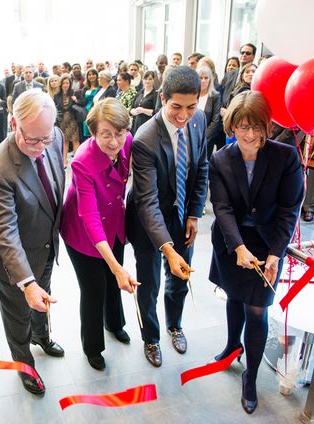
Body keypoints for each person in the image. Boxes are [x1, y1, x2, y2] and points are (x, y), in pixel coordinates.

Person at [208, 91, 303, 414]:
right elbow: (221, 207)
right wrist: (237, 246)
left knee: (258, 309)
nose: (249, 136)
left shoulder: (285, 156)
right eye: (241, 127)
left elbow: (290, 208)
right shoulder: (221, 159)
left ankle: (250, 376)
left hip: (268, 242)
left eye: (256, 128)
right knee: (234, 296)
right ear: (231, 126)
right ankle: (233, 345)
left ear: (267, 126)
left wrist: (276, 252)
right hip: (231, 241)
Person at [0, 89, 65, 396]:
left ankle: (41, 336)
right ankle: (24, 364)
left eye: (47, 139)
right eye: (33, 140)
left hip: (46, 247)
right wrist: (26, 283)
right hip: (16, 265)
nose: (42, 148)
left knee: (45, 301)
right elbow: (4, 230)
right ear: (14, 123)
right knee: (18, 316)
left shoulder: (52, 136)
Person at [126, 66, 208, 368]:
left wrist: (194, 215)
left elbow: (202, 170)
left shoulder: (198, 121)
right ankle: (152, 337)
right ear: (163, 99)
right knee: (149, 284)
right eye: (176, 107)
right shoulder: (145, 138)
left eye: (191, 106)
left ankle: (175, 325)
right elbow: (147, 202)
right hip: (149, 222)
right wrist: (168, 248)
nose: (183, 115)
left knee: (179, 277)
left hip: (181, 214)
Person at [61, 98, 138, 371]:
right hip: (83, 232)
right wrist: (117, 267)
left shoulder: (127, 141)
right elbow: (89, 217)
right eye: (106, 134)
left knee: (114, 279)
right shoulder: (83, 162)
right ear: (92, 132)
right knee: (94, 289)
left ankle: (115, 323)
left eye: (119, 133)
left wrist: (116, 268)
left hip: (114, 222)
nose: (114, 142)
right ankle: (92, 347)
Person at [54, 75, 81, 168]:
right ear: (61, 84)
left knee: (75, 140)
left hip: (72, 119)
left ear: (70, 84)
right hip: (62, 120)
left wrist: (76, 100)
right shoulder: (57, 95)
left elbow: (83, 102)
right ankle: (64, 161)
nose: (65, 85)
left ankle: (77, 162)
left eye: (67, 83)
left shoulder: (74, 93)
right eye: (64, 83)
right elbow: (55, 108)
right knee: (64, 140)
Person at [196, 66, 222, 158]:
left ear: (210, 80)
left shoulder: (215, 96)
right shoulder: (192, 94)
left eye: (206, 78)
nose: (203, 81)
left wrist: (204, 138)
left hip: (207, 140)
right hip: (190, 137)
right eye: (200, 78)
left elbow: (215, 120)